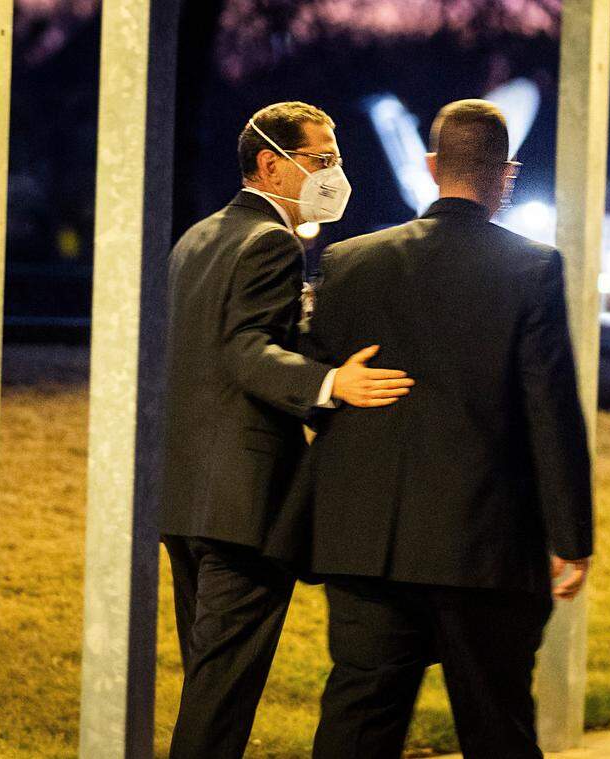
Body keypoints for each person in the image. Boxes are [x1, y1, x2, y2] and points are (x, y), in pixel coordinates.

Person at [279, 99, 593, 759]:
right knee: (496, 725)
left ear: (429, 166)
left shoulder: (352, 262)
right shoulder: (532, 268)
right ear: (506, 175)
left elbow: (311, 390)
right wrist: (571, 535)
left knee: (357, 728)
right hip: (483, 545)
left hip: (367, 544)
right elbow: (549, 406)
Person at [160, 101, 414, 759]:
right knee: (219, 699)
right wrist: (333, 384)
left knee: (207, 680)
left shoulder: (197, 237)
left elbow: (206, 352)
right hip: (244, 506)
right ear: (273, 165)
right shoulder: (270, 241)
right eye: (321, 160)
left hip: (186, 497)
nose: (335, 175)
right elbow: (245, 349)